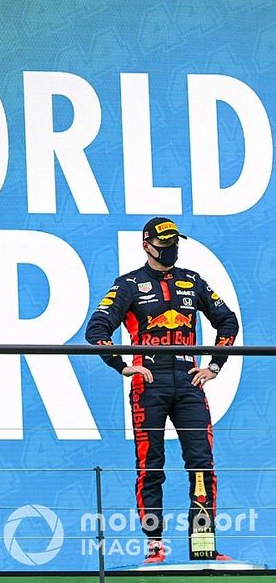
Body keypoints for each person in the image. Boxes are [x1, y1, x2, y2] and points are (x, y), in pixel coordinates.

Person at [85, 217, 238, 564]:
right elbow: (97, 330)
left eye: (174, 243)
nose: (171, 249)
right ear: (147, 246)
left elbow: (228, 321)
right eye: (164, 243)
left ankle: (204, 544)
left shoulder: (192, 281)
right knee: (150, 465)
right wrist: (122, 365)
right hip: (148, 384)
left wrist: (214, 366)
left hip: (188, 381)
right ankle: (154, 544)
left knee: (202, 463)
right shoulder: (128, 284)